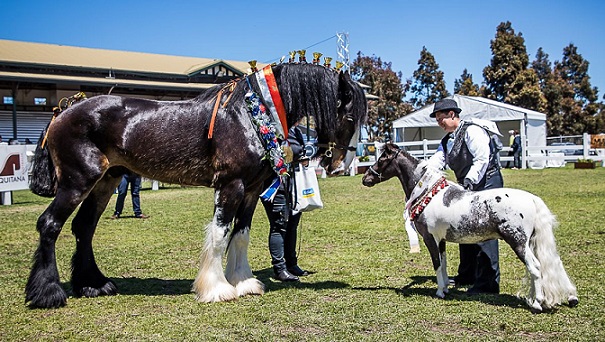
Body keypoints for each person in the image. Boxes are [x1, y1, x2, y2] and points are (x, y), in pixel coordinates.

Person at [427, 98, 502, 294]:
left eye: (441, 118)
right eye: (437, 120)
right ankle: (467, 275)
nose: (439, 123)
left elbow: (481, 159)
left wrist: (469, 181)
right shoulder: (446, 141)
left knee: (485, 232)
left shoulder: (472, 131)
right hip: (467, 186)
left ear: (452, 114)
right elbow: (436, 162)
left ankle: (488, 284)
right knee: (464, 226)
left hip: (487, 182)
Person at [262, 124, 310, 282]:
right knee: (279, 224)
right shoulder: (270, 127)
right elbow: (281, 153)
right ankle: (279, 268)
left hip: (294, 185)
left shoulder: (293, 129)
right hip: (276, 185)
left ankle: (291, 263)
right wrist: (297, 154)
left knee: (293, 223)